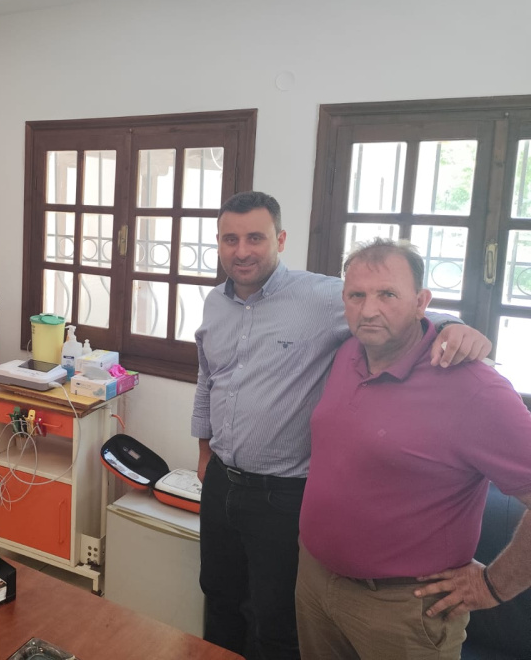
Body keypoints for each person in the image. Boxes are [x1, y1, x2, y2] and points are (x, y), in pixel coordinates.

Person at [192, 191, 490, 659]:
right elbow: (208, 378)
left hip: (283, 494)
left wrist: (453, 326)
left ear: (280, 239)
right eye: (230, 239)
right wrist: (204, 451)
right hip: (220, 483)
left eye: (255, 238)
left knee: (277, 623)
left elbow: (396, 309)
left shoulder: (324, 296)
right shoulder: (215, 302)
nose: (242, 250)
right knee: (219, 597)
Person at [296, 239, 531, 659]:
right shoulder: (348, 352)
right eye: (356, 295)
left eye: (387, 294)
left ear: (421, 301)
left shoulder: (474, 388)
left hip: (403, 609)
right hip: (316, 583)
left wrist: (495, 586)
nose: (369, 310)